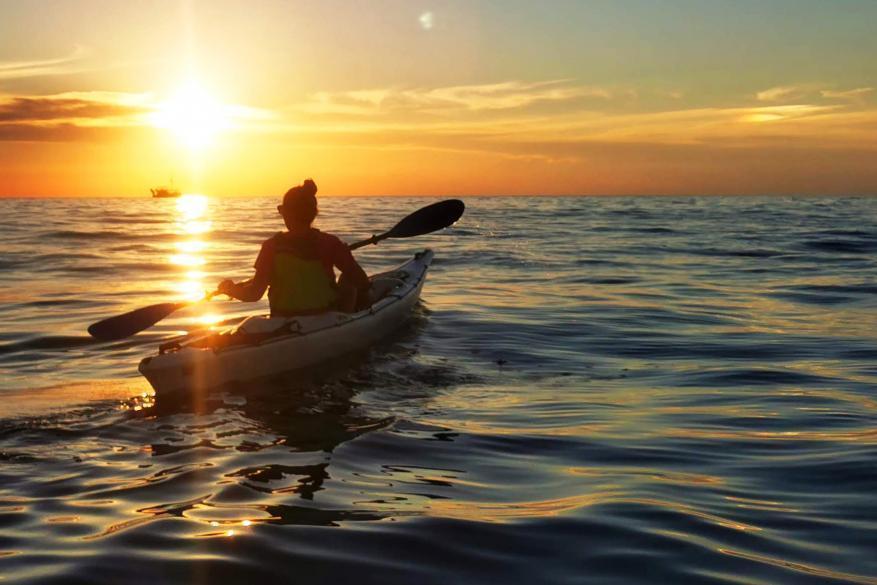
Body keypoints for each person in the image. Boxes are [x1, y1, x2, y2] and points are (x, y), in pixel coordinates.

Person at [217, 179, 371, 315]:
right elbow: (361, 281)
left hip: (283, 319)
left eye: (281, 210)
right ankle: (357, 316)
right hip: (325, 316)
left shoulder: (271, 246)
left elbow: (253, 294)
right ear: (313, 214)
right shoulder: (330, 243)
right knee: (348, 278)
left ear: (286, 213)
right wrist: (346, 257)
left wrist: (230, 289)